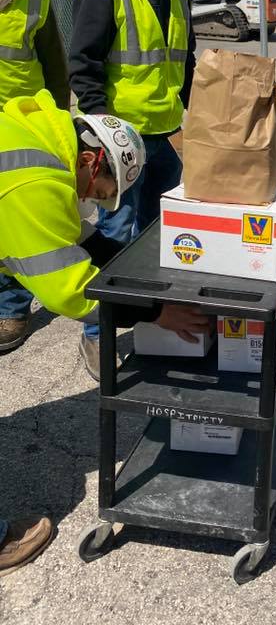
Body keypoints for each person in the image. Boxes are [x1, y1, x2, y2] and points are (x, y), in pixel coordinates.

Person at [0, 89, 208, 577]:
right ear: (91, 159)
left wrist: (133, 273)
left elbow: (77, 234)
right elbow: (69, 291)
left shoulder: (37, 139)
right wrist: (156, 311)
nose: (89, 200)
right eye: (97, 191)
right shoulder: (32, 183)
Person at [69, 0, 195, 380]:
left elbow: (183, 58)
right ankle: (96, 333)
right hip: (117, 139)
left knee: (160, 234)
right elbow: (83, 65)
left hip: (166, 133)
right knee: (113, 237)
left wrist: (194, 112)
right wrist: (102, 130)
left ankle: (151, 319)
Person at [0, 0, 70, 354]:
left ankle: (11, 307)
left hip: (22, 130)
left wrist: (59, 128)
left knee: (18, 220)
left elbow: (55, 67)